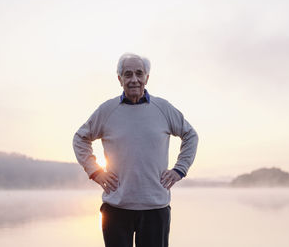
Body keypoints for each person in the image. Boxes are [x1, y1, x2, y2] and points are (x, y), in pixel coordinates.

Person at [73, 53, 198, 247]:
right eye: (127, 74)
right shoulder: (107, 110)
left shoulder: (163, 108)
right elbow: (80, 138)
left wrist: (179, 169)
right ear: (119, 79)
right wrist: (96, 172)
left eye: (139, 74)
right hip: (116, 208)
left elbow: (190, 135)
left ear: (147, 77)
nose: (134, 80)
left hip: (155, 208)